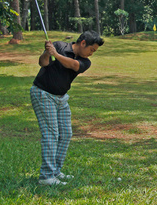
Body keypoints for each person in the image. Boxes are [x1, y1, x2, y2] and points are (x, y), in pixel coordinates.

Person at [30, 30, 104, 185]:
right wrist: (47, 51)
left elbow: (73, 65)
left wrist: (55, 55)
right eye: (92, 49)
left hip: (61, 98)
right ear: (83, 43)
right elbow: (43, 62)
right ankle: (46, 176)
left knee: (66, 133)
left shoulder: (85, 62)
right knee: (51, 134)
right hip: (43, 93)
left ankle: (55, 171)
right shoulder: (59, 46)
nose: (92, 53)